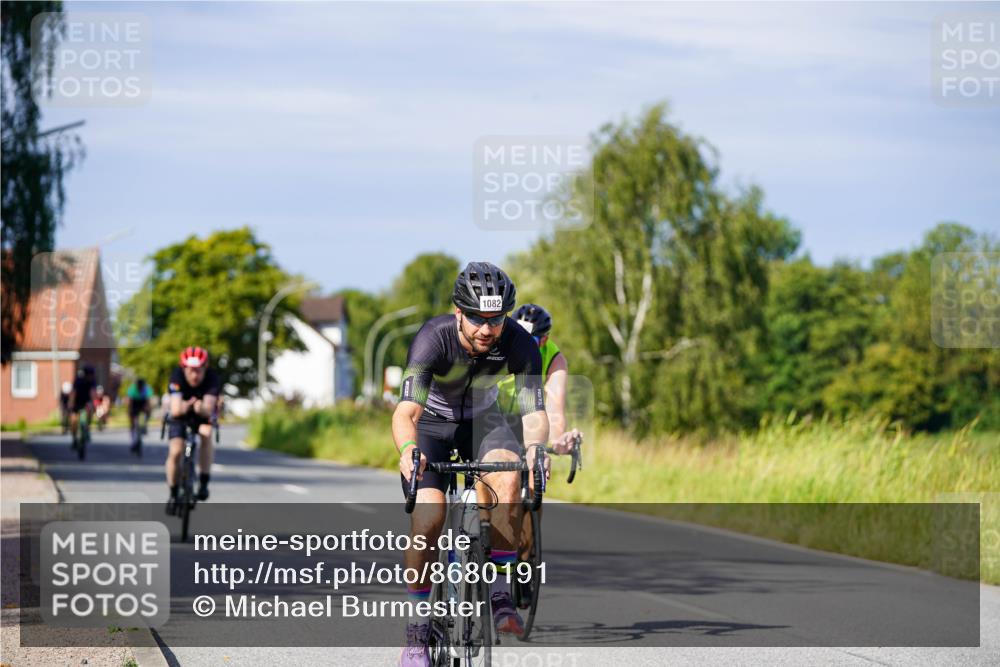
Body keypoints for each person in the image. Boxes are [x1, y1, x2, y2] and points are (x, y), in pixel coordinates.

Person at [394, 262, 550, 666]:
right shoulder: (433, 338)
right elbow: (406, 411)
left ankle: (497, 589)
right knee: (429, 517)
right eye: (477, 318)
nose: (487, 329)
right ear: (458, 312)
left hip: (484, 421)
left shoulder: (519, 343)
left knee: (509, 476)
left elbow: (534, 412)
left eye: (496, 319)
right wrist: (408, 449)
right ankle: (417, 630)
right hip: (432, 426)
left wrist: (536, 448)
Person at [165, 346, 220, 514]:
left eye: (198, 371)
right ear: (184, 368)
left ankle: (203, 481)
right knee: (176, 451)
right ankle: (173, 493)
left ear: (205, 368)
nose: (194, 375)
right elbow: (175, 409)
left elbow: (208, 409)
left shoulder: (212, 378)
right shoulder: (176, 376)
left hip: (201, 414)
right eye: (190, 371)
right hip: (180, 415)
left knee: (206, 433)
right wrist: (187, 406)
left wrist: (199, 407)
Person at [68, 365, 97, 451]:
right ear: (86, 374)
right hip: (77, 402)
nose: (91, 376)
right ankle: (74, 439)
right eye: (90, 374)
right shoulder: (78, 380)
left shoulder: (92, 381)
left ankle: (87, 428)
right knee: (73, 421)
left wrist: (94, 405)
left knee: (89, 412)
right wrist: (71, 404)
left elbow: (93, 393)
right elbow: (73, 393)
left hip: (86, 402)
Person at [126, 377, 153, 452]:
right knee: (132, 423)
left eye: (141, 387)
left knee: (144, 417)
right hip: (134, 404)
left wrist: (148, 412)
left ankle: (143, 426)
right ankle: (133, 440)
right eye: (139, 387)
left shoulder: (146, 389)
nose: (140, 388)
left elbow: (148, 402)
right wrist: (130, 411)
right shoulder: (132, 389)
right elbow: (130, 402)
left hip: (142, 404)